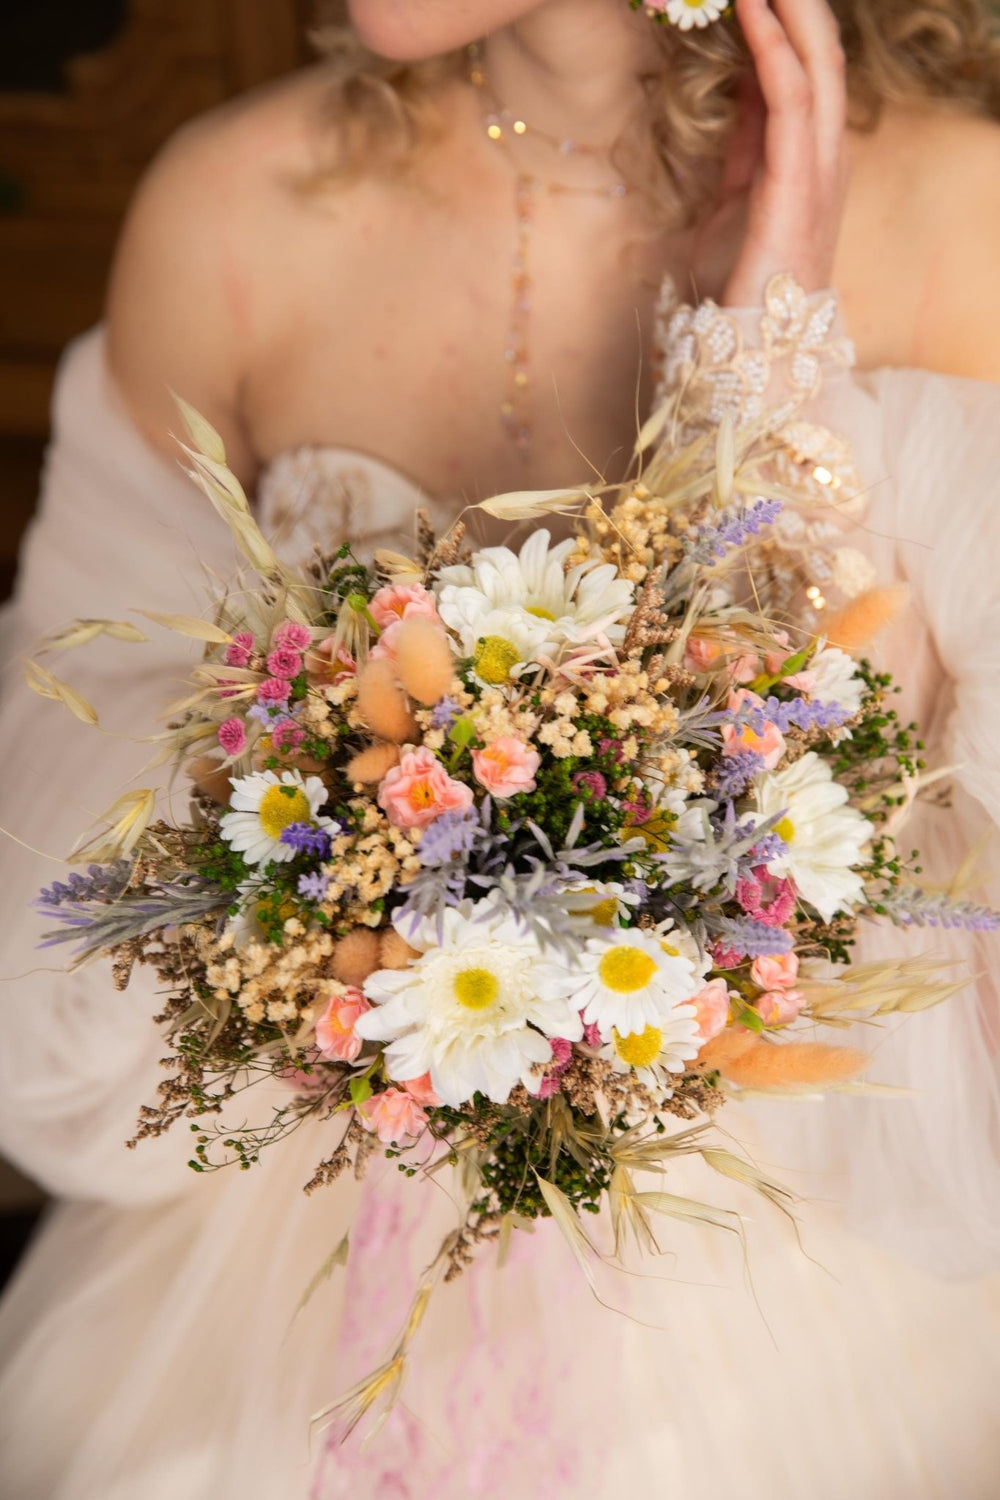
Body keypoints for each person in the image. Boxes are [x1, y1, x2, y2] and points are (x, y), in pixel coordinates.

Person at [0, 1, 998, 1495]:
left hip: (788, 1250)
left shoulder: (961, 214)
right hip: (268, 1252)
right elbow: (58, 769)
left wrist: (766, 396)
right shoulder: (232, 207)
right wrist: (334, 840)